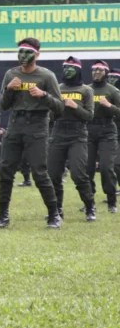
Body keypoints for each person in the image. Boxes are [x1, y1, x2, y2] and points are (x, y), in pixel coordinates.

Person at [0, 38, 64, 229]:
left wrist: (44, 95)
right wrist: (9, 89)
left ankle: (54, 214)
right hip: (15, 124)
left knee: (39, 172)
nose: (23, 56)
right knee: (6, 170)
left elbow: (60, 107)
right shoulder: (11, 74)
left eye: (27, 52)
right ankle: (3, 215)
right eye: (20, 52)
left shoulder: (46, 76)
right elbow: (3, 105)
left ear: (37, 54)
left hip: (38, 125)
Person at [48, 57, 96, 221]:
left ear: (78, 70)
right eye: (65, 67)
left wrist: (75, 106)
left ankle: (90, 206)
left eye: (71, 67)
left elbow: (89, 116)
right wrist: (55, 106)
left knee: (78, 174)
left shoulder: (86, 90)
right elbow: (51, 117)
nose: (67, 70)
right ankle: (57, 210)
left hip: (78, 135)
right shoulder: (57, 88)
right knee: (53, 175)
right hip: (58, 133)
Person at [87, 60, 120, 213]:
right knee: (87, 169)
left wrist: (109, 106)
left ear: (106, 72)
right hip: (88, 130)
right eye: (94, 70)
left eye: (100, 70)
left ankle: (112, 201)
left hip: (107, 130)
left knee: (107, 167)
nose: (96, 72)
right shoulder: (86, 90)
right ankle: (89, 201)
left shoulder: (113, 91)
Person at [108, 68, 120, 185]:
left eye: (114, 77)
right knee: (111, 163)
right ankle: (112, 190)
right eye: (110, 77)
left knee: (116, 163)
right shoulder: (108, 93)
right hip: (111, 132)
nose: (112, 80)